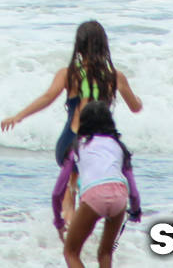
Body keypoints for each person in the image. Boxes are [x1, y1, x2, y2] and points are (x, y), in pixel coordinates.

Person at [1, 20, 142, 234]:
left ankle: (68, 232)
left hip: (71, 141)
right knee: (95, 188)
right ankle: (88, 238)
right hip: (101, 148)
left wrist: (18, 116)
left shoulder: (69, 73)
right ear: (104, 45)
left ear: (79, 45)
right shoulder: (115, 76)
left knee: (71, 186)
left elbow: (48, 97)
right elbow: (136, 107)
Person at [63, 101, 142, 268]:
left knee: (71, 252)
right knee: (105, 253)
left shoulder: (76, 147)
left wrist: (57, 217)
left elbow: (58, 191)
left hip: (94, 196)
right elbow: (133, 190)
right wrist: (135, 210)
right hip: (120, 196)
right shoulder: (119, 147)